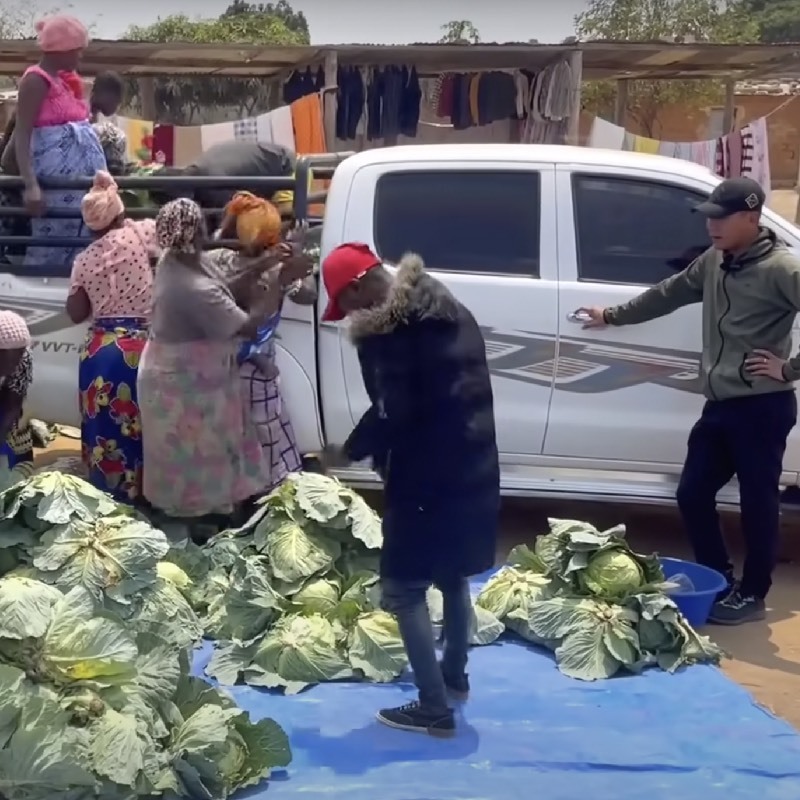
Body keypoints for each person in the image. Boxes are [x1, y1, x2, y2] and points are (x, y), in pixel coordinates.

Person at [578, 177, 800, 626]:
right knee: (693, 493)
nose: (712, 226)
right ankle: (718, 576)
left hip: (762, 407)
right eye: (709, 218)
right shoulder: (715, 262)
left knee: (758, 502)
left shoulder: (782, 268)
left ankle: (753, 594)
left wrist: (789, 369)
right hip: (719, 405)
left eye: (722, 218)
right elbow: (670, 293)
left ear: (752, 219)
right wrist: (612, 316)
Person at [321, 243, 499, 736]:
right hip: (473, 458)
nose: (350, 315)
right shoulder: (442, 303)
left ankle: (433, 708)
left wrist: (345, 452)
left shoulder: (394, 332)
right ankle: (454, 677)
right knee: (452, 572)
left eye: (347, 303)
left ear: (359, 285)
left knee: (403, 588)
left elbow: (391, 413)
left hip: (427, 473)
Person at [137, 198, 308, 524]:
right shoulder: (191, 286)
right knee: (195, 466)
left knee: (205, 461)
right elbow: (250, 323)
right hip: (184, 386)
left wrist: (265, 264)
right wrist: (281, 278)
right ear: (199, 230)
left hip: (191, 380)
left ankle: (204, 525)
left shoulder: (178, 259)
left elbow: (225, 285)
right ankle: (198, 535)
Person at [214, 191, 316, 492]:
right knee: (269, 438)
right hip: (251, 369)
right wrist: (292, 262)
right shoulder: (268, 268)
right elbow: (306, 294)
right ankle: (271, 501)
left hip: (229, 366)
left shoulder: (221, 260)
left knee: (245, 438)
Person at [66, 170, 158, 502]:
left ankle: (107, 498)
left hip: (99, 350)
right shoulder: (143, 233)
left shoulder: (84, 259)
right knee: (141, 424)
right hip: (139, 347)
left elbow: (76, 311)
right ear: (120, 211)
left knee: (100, 428)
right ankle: (145, 496)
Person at [15, 14, 106, 269]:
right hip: (55, 187)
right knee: (53, 242)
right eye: (77, 51)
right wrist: (31, 186)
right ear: (61, 49)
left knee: (82, 242)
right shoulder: (35, 80)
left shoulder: (63, 81)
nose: (80, 57)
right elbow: (22, 135)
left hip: (77, 189)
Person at [151, 142, 297, 230]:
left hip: (287, 168)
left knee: (272, 229)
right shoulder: (198, 171)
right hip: (272, 164)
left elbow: (227, 223)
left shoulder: (210, 183)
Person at [0, 312, 34, 469]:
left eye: (20, 353)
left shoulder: (24, 357)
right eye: (11, 356)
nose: (16, 361)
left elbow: (13, 403)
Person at [90, 72, 128, 176]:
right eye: (117, 100)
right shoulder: (84, 115)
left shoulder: (92, 114)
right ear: (107, 95)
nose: (118, 106)